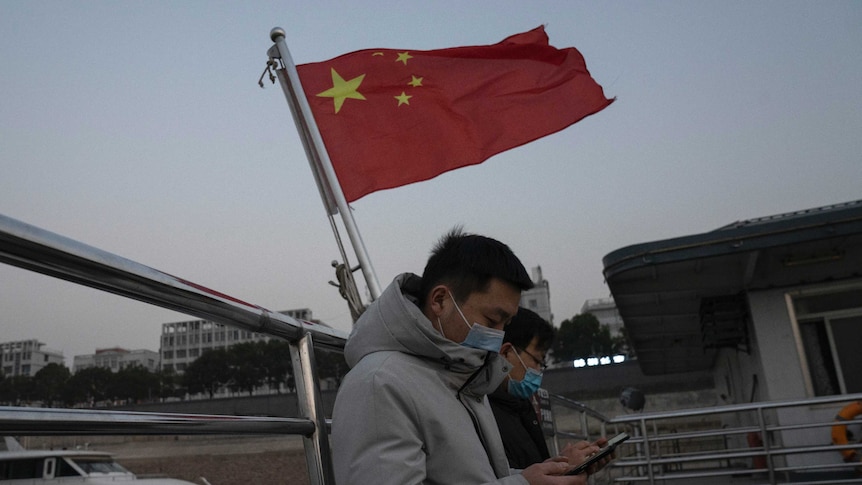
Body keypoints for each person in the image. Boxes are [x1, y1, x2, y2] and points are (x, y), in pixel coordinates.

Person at [331, 228, 596, 484]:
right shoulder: (379, 384)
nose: (500, 335)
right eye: (492, 320)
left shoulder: (465, 378)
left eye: (506, 324)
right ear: (440, 301)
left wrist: (541, 475)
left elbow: (474, 477)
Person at [490, 308, 612, 472]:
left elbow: (531, 470)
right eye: (538, 360)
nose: (539, 370)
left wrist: (562, 464)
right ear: (506, 353)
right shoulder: (485, 413)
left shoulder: (520, 406)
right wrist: (563, 470)